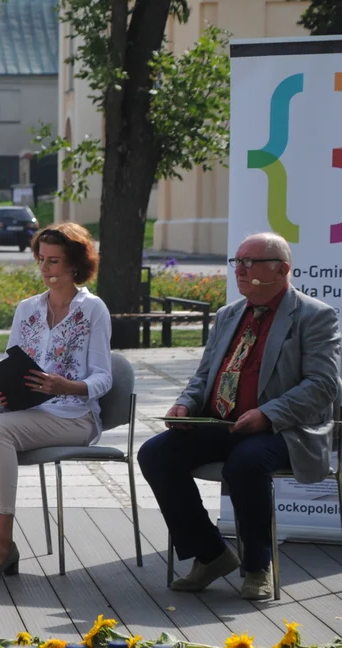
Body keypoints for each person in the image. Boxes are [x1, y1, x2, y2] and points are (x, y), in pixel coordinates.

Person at [138, 232, 341, 600]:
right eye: (237, 262)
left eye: (251, 262)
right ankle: (211, 554)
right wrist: (185, 404)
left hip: (283, 428)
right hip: (222, 423)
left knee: (245, 465)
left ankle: (257, 566)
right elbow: (203, 377)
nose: (241, 270)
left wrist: (267, 413)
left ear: (282, 270)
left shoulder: (314, 316)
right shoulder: (229, 314)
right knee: (155, 454)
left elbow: (322, 386)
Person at [0, 222, 112, 579]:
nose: (45, 269)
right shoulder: (28, 309)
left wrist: (65, 386)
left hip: (75, 416)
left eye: (54, 261)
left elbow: (104, 377)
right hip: (28, 409)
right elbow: (12, 365)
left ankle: (4, 543)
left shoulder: (93, 310)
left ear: (75, 265)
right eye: (41, 260)